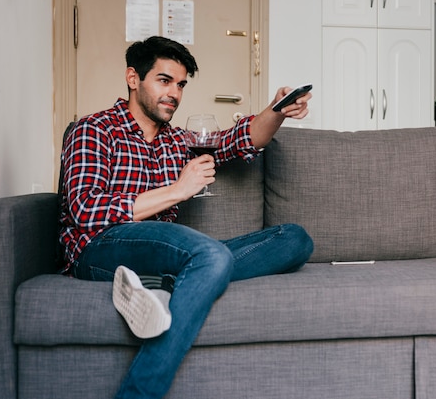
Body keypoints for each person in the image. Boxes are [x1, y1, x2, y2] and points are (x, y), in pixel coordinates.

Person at [59, 35, 314, 399]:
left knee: (295, 239)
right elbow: (85, 208)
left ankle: (164, 283)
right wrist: (178, 190)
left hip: (161, 251)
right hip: (100, 247)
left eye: (180, 85)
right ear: (134, 78)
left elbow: (238, 139)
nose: (174, 94)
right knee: (210, 255)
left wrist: (277, 109)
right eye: (164, 81)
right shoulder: (94, 129)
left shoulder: (177, 141)